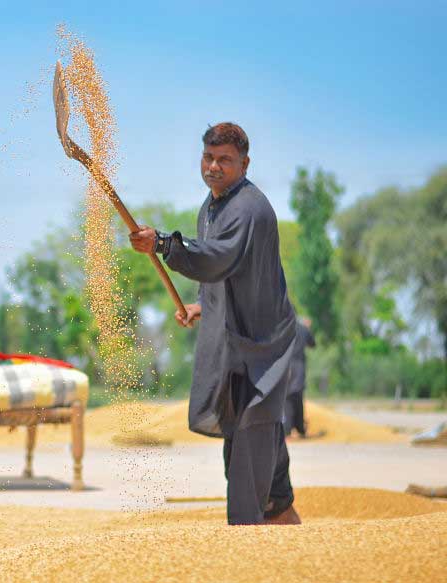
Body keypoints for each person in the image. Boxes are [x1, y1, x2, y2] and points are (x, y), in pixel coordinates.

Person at [130, 122, 300, 525]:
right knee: (258, 454)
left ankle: (246, 538)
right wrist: (201, 305)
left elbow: (216, 257)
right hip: (236, 341)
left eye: (225, 159)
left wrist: (164, 244)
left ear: (244, 163)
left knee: (248, 448)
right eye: (208, 157)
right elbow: (225, 273)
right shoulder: (212, 206)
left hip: (262, 347)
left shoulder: (247, 208)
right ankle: (292, 538)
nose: (214, 166)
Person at [284, 317, 315, 438]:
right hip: (299, 367)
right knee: (297, 396)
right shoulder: (303, 328)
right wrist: (307, 328)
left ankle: (287, 428)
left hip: (285, 366)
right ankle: (299, 428)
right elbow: (312, 344)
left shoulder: (284, 327)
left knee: (287, 397)